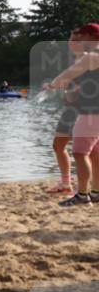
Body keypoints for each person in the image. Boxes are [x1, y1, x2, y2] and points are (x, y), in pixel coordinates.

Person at [48, 22, 99, 206]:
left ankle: (83, 194)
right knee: (94, 152)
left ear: (92, 38)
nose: (80, 39)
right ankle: (95, 192)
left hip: (91, 113)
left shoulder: (92, 56)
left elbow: (66, 75)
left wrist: (53, 85)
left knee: (79, 152)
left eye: (83, 35)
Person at [47, 31, 85, 195]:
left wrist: (76, 89)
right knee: (58, 145)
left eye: (75, 39)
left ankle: (84, 186)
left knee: (85, 151)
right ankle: (66, 184)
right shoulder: (75, 60)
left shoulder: (89, 59)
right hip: (70, 110)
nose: (71, 42)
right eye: (70, 39)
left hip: (83, 111)